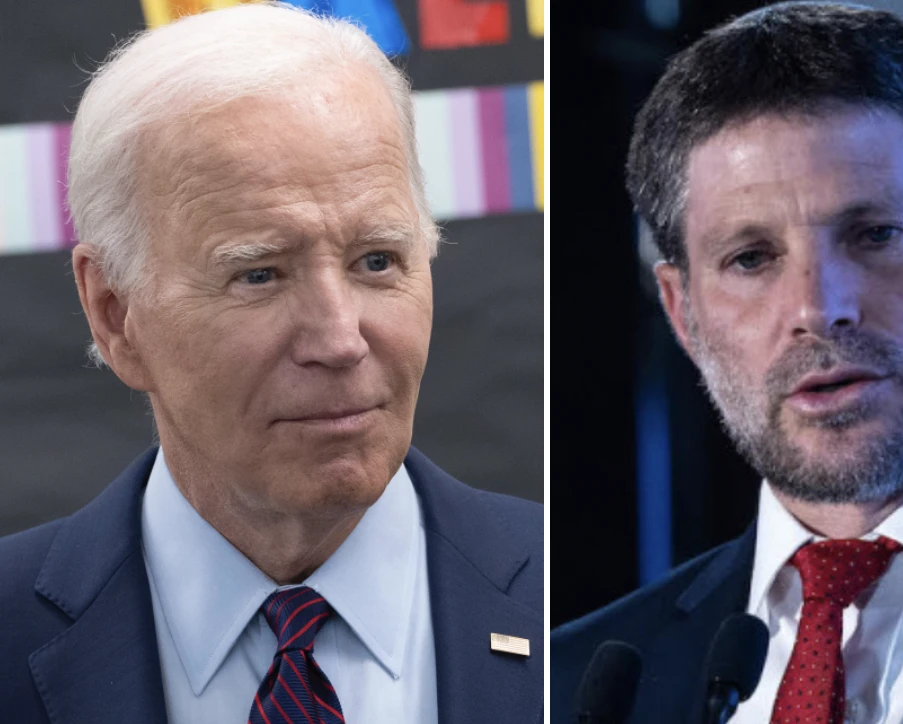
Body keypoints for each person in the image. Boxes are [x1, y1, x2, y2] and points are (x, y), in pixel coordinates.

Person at [0, 4, 541, 723]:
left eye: (377, 261)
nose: (340, 340)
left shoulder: (570, 606)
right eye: (260, 275)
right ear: (114, 314)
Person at [553, 3, 903, 723]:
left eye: (876, 234)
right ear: (683, 314)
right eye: (750, 258)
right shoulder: (575, 686)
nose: (816, 307)